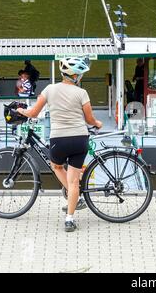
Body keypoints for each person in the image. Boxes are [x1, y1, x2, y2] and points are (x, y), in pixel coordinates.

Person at [17, 57, 103, 232]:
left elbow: (33, 113)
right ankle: (69, 219)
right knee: (73, 182)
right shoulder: (82, 93)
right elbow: (89, 119)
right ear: (76, 76)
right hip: (80, 139)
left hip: (59, 140)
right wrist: (98, 123)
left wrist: (20, 110)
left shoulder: (49, 89)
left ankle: (75, 198)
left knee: (56, 166)